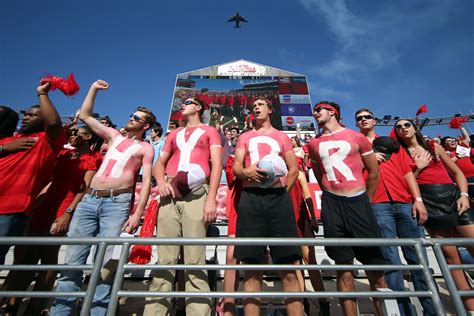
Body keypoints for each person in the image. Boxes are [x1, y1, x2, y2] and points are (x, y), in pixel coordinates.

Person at [51, 80, 155, 315]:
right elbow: (86, 115)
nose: (131, 119)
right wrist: (93, 89)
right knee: (73, 260)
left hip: (117, 202)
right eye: (131, 115)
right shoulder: (113, 136)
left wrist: (137, 213)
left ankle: (98, 311)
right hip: (89, 199)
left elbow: (146, 180)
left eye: (137, 118)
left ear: (146, 125)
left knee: (105, 264)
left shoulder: (146, 148)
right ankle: (62, 310)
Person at [3, 126, 102, 315]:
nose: (72, 137)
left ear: (88, 137)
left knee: (49, 256)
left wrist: (68, 212)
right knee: (27, 257)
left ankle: (36, 305)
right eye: (71, 134)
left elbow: (84, 188)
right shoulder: (63, 154)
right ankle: (13, 305)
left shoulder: (92, 158)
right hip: (45, 203)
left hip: (63, 206)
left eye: (77, 134)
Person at [308, 101, 387, 316]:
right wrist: (330, 194)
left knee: (374, 267)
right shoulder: (314, 144)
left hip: (359, 201)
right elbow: (318, 173)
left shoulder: (356, 136)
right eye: (315, 111)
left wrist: (365, 198)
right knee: (343, 268)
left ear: (332, 112)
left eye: (319, 109)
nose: (315, 113)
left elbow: (373, 171)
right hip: (333, 205)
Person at [144, 97, 222, 316]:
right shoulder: (173, 134)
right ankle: (155, 312)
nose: (182, 104)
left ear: (198, 107)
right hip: (169, 192)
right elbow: (160, 163)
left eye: (188, 102)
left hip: (197, 194)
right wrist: (160, 182)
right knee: (165, 258)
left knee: (194, 257)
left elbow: (216, 164)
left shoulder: (210, 131)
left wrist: (210, 198)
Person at [355, 108, 436, 315]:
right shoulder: (354, 145)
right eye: (359, 118)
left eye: (367, 117)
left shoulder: (395, 145)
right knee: (391, 259)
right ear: (356, 123)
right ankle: (403, 311)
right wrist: (369, 159)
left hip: (404, 202)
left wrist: (418, 200)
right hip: (377, 204)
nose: (364, 120)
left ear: (375, 120)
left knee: (418, 258)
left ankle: (431, 310)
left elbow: (408, 173)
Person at [394, 118, 474, 312]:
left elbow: (457, 173)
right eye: (398, 127)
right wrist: (419, 166)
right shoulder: (400, 155)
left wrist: (463, 194)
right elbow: (404, 182)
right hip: (428, 202)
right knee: (450, 256)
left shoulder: (434, 147)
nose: (403, 128)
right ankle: (470, 307)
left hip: (453, 198)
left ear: (414, 128)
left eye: (406, 125)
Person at [233, 98, 304, 316]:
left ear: (270, 109)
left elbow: (293, 170)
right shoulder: (245, 136)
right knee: (252, 270)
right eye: (254, 105)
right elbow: (237, 167)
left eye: (261, 104)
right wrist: (247, 173)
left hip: (277, 199)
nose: (256, 107)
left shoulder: (282, 137)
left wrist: (282, 192)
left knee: (289, 270)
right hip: (251, 198)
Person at [0, 82, 65, 264]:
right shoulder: (8, 140)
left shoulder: (47, 141)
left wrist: (42, 94)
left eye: (33, 116)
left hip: (10, 209)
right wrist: (4, 148)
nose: (26, 118)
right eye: (25, 115)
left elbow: (53, 123)